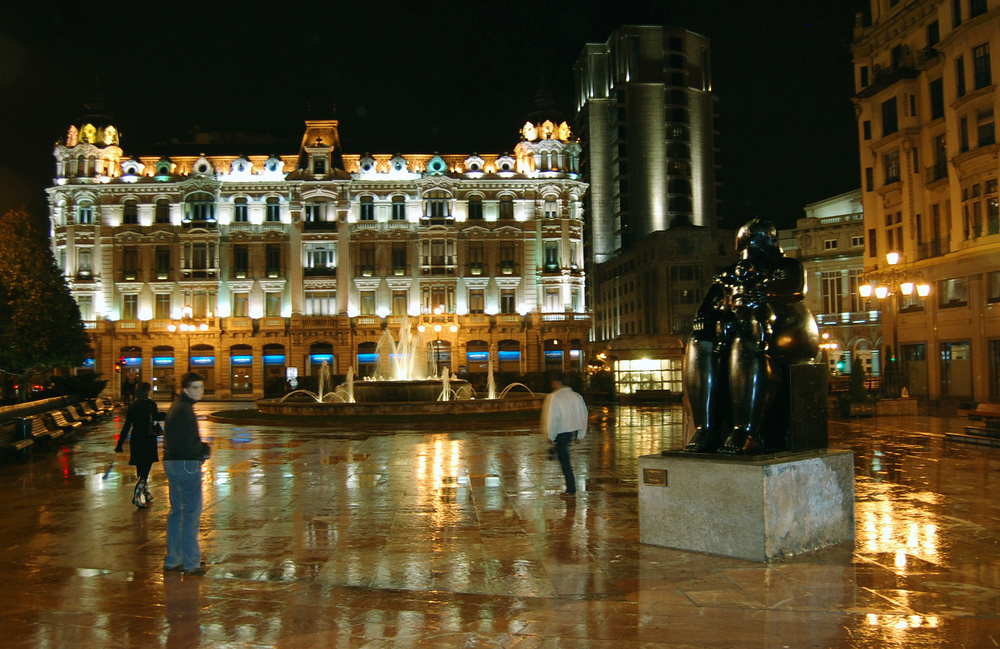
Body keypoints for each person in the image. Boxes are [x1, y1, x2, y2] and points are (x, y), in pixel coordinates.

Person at [683, 218, 819, 455]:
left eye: (772, 236)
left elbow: (795, 289)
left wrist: (763, 292)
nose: (773, 241)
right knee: (698, 342)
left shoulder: (786, 266)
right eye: (767, 236)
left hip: (785, 332)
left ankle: (746, 431)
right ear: (750, 240)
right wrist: (706, 317)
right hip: (738, 328)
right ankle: (706, 428)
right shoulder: (728, 274)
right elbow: (708, 305)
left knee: (746, 340)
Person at [162, 372, 211, 575]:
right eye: (195, 388)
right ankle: (191, 562)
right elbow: (189, 444)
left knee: (177, 511)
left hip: (171, 462)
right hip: (186, 464)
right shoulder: (185, 411)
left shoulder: (177, 407)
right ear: (185, 390)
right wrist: (204, 450)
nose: (199, 391)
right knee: (191, 512)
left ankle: (173, 559)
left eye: (201, 387)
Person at [114, 381, 163, 508]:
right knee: (146, 468)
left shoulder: (133, 406)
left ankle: (146, 493)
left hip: (136, 439)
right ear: (148, 391)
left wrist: (119, 444)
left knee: (140, 467)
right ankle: (137, 495)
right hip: (148, 438)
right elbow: (156, 418)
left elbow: (126, 425)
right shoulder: (150, 405)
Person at [540, 373, 589, 496]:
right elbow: (584, 414)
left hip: (561, 432)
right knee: (564, 457)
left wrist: (550, 435)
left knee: (565, 461)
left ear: (559, 382)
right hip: (571, 431)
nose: (552, 384)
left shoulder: (555, 397)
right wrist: (581, 434)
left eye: (554, 382)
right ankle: (570, 487)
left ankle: (571, 488)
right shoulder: (576, 396)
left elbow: (553, 417)